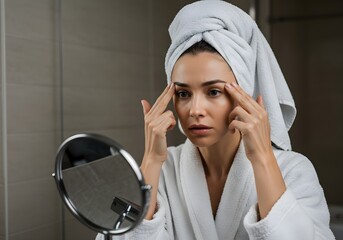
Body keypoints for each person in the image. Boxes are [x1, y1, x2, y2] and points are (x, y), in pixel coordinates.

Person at [97, 1, 335, 239]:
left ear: (244, 94)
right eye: (183, 94)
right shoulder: (164, 169)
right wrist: (150, 160)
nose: (195, 110)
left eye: (213, 92)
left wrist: (262, 158)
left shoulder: (293, 170)